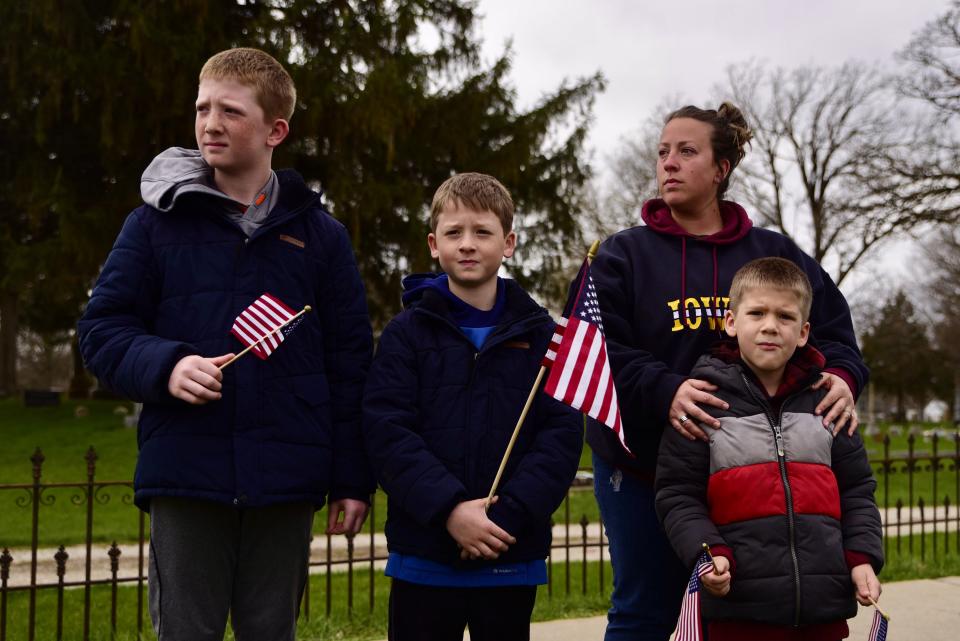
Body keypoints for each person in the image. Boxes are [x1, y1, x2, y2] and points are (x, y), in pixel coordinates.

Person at [77, 47, 373, 641]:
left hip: (286, 481)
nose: (210, 123)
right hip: (186, 473)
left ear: (275, 130)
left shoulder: (322, 238)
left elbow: (350, 364)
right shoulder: (153, 224)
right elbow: (101, 330)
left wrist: (352, 479)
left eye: (231, 112)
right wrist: (167, 366)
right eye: (202, 108)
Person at [588, 103, 869, 641]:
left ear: (721, 168)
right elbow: (599, 348)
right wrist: (666, 389)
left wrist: (843, 378)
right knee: (645, 611)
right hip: (642, 467)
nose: (668, 163)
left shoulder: (772, 253)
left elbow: (834, 334)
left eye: (686, 151)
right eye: (663, 152)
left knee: (735, 614)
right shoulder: (622, 255)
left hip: (747, 474)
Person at [362, 172, 583, 641]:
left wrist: (505, 518)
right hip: (425, 550)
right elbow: (388, 431)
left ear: (508, 243)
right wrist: (450, 510)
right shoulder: (406, 333)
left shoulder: (544, 337)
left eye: (482, 232)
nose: (467, 244)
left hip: (509, 550)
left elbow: (560, 437)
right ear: (433, 244)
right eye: (454, 232)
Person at [655, 257, 883, 640]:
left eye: (785, 317)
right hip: (740, 611)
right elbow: (678, 495)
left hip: (822, 612)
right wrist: (709, 554)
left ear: (804, 331)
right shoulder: (701, 403)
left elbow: (858, 491)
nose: (770, 326)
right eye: (756, 313)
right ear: (731, 322)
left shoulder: (828, 403)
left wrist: (862, 558)